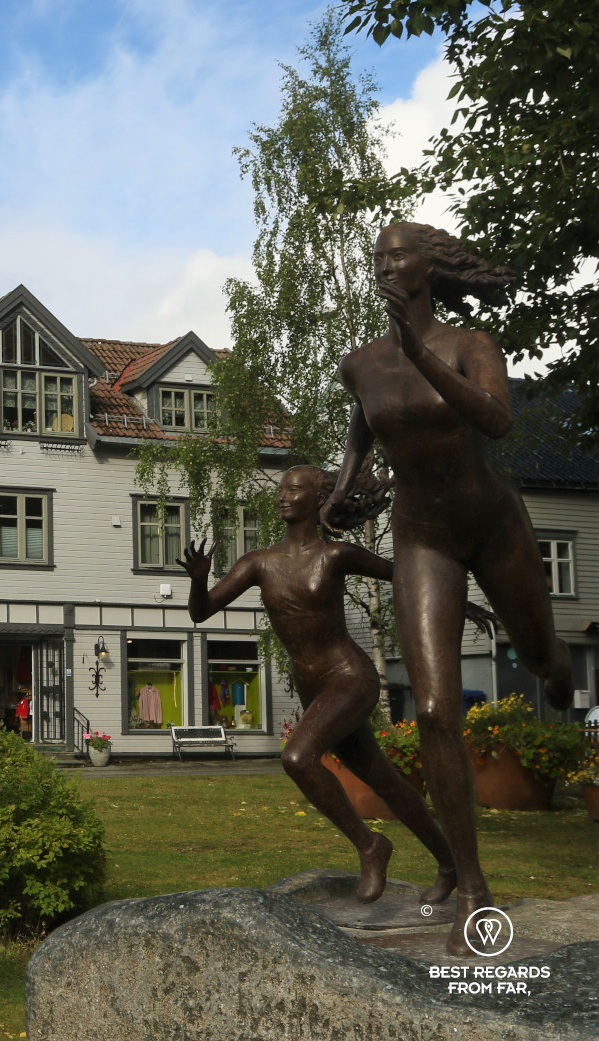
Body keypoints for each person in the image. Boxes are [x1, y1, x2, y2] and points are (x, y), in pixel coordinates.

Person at [324, 222, 574, 954]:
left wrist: (418, 355)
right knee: (434, 707)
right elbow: (360, 431)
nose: (383, 264)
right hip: (422, 535)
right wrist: (342, 491)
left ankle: (558, 676)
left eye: (396, 253)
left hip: (492, 524)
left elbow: (495, 419)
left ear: (427, 267)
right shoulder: (359, 363)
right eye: (376, 255)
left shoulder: (470, 344)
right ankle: (472, 889)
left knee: (538, 659)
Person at [179, 465, 456, 907]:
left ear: (318, 499)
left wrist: (459, 603)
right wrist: (197, 580)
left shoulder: (336, 555)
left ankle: (370, 846)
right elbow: (201, 612)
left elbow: (407, 575)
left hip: (349, 677)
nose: (283, 496)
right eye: (282, 489)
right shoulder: (259, 562)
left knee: (297, 757)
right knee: (384, 780)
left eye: (294, 489)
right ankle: (450, 862)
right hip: (313, 686)